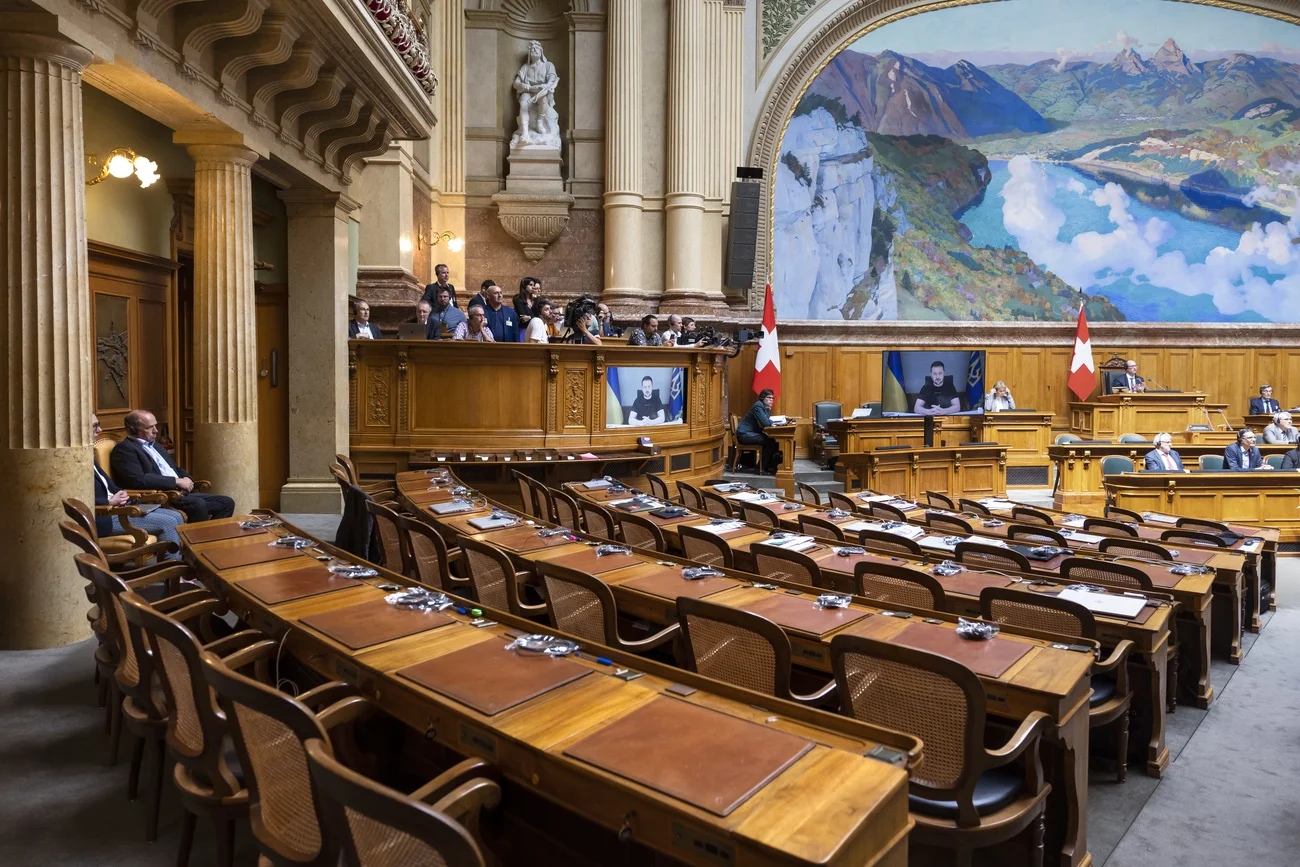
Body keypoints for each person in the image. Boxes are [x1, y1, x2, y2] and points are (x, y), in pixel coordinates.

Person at [110, 410, 236, 522]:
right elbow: (138, 479)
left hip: (180, 493)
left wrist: (186, 478)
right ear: (133, 429)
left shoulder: (155, 445)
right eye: (150, 427)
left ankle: (212, 537)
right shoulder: (125, 450)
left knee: (226, 502)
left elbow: (175, 468)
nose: (156, 431)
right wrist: (176, 481)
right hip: (163, 496)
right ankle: (196, 539)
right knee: (198, 504)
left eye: (155, 426)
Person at [91, 415, 186, 557]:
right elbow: (77, 498)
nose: (100, 429)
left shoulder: (89, 456)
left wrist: (121, 493)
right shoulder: (76, 459)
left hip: (119, 508)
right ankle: (172, 567)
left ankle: (177, 563)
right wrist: (109, 501)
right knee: (169, 521)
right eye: (94, 426)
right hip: (104, 516)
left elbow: (109, 485)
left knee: (176, 516)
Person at [736, 388, 780, 473]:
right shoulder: (758, 406)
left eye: (772, 398)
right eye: (769, 398)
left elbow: (766, 420)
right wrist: (773, 422)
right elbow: (766, 422)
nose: (771, 400)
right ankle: (761, 468)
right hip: (744, 435)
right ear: (762, 398)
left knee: (772, 441)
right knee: (770, 442)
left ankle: (768, 467)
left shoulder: (765, 407)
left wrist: (768, 410)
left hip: (750, 433)